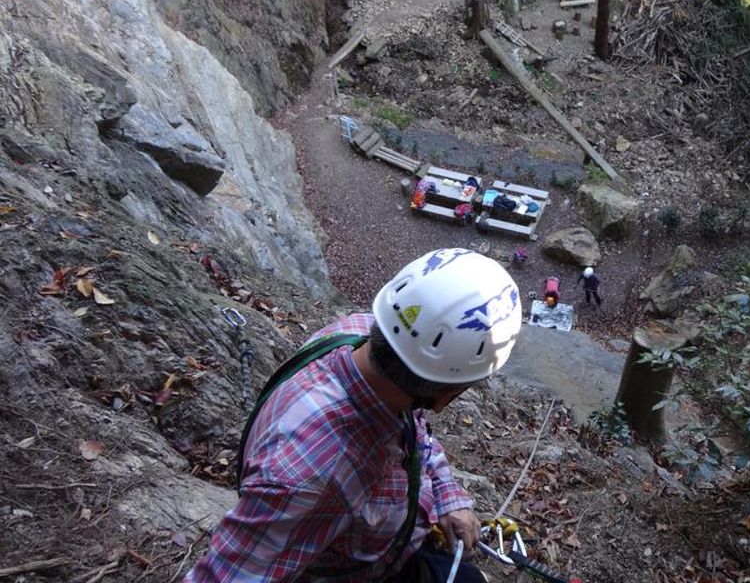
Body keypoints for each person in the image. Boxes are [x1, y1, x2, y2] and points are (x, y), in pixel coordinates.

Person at [184, 248, 522, 583]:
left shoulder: (362, 337)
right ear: (448, 395)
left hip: (388, 540)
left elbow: (415, 430)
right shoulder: (313, 472)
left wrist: (447, 495)